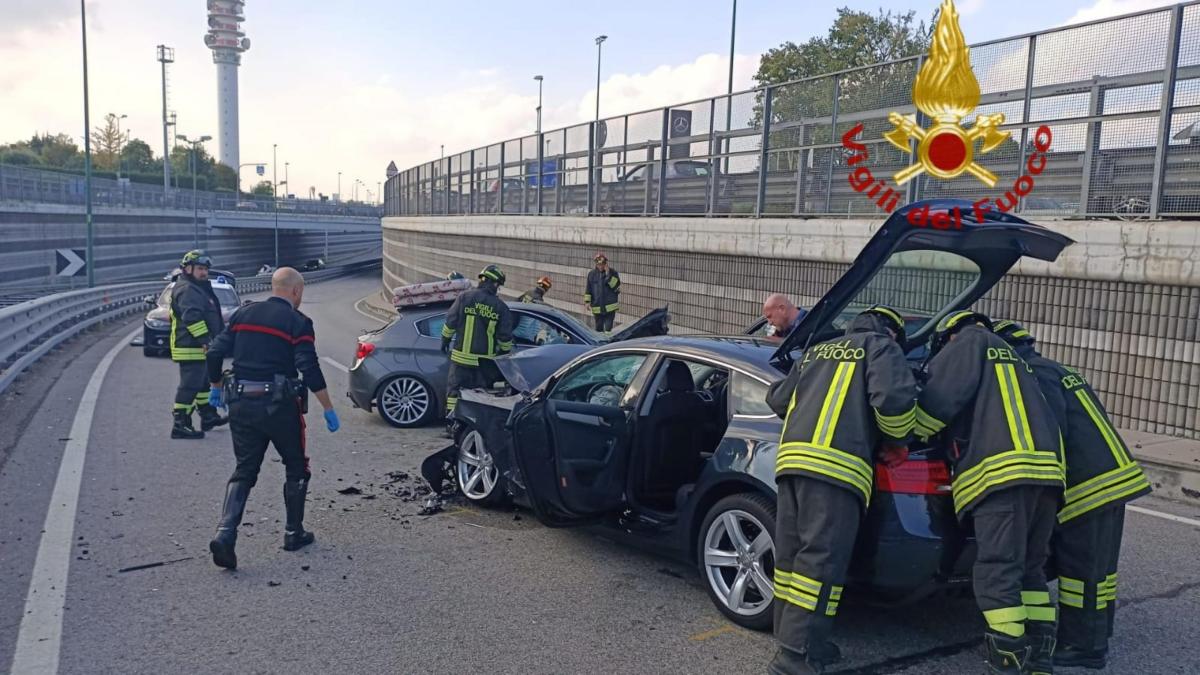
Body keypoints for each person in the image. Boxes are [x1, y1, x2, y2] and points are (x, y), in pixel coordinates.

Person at [765, 306, 917, 675]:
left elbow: (778, 400)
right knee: (820, 563)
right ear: (892, 332)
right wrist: (898, 441)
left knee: (791, 559)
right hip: (835, 470)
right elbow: (894, 401)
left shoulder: (819, 349)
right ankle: (795, 656)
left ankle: (799, 641)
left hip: (791, 465)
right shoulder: (882, 348)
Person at [993, 320, 1151, 671]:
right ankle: (1097, 635)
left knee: (1083, 575)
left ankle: (1085, 649)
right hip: (1111, 477)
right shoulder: (1058, 368)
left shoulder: (1034, 375)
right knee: (1099, 573)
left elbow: (1052, 430)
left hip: (1088, 486)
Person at [915, 311, 1065, 674]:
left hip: (1001, 477)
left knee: (998, 571)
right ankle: (1039, 659)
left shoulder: (968, 341)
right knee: (1030, 569)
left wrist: (908, 433)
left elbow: (937, 403)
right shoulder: (1016, 358)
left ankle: (1008, 663)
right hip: (1047, 479)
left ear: (949, 336)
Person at [204, 267, 340, 570]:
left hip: (240, 402)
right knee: (296, 465)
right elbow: (309, 365)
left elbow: (214, 353)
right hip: (280, 406)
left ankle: (225, 534)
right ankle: (293, 533)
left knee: (244, 469)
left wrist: (215, 387)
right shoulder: (298, 322)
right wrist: (328, 407)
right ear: (295, 291)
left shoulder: (243, 314)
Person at [441, 265, 514, 426]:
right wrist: (503, 355)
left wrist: (444, 341)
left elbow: (450, 323)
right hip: (484, 364)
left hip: (460, 360)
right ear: (494, 284)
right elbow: (505, 338)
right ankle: (474, 426)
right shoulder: (500, 307)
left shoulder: (464, 298)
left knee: (454, 393)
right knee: (480, 396)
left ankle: (453, 424)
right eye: (498, 285)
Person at [169, 250, 227, 439]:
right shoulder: (188, 289)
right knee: (190, 386)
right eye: (200, 268)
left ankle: (208, 415)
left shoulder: (197, 287)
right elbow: (192, 318)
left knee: (203, 385)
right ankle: (180, 424)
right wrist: (206, 341)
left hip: (197, 347)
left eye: (206, 269)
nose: (204, 273)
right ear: (188, 268)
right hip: (191, 347)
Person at [583, 252, 620, 333]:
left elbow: (615, 286)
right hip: (597, 308)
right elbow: (588, 289)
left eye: (602, 264)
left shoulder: (613, 273)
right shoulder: (592, 274)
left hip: (610, 308)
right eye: (599, 264)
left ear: (606, 264)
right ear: (596, 264)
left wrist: (608, 275)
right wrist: (587, 302)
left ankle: (607, 344)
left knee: (608, 330)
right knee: (598, 330)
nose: (600, 266)